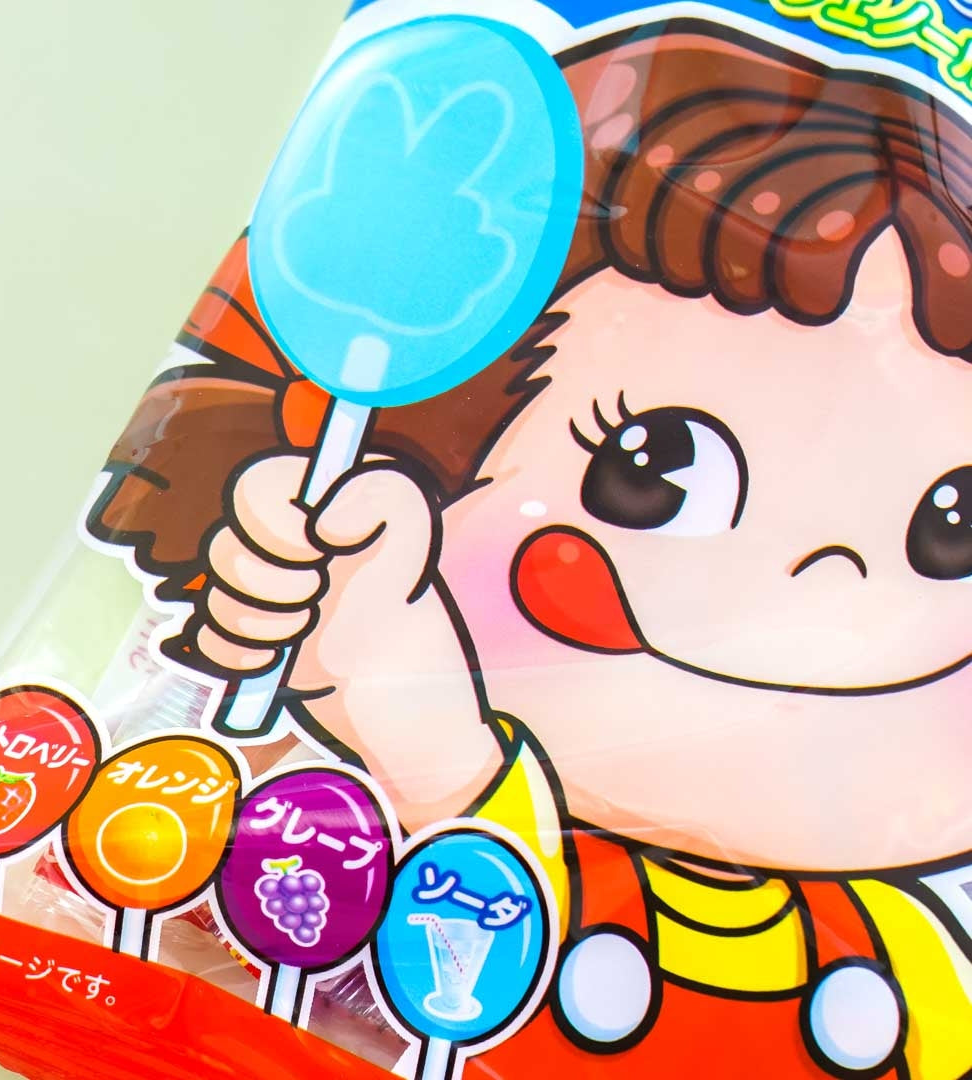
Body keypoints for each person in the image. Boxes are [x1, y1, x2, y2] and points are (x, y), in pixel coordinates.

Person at [88, 21, 972, 1077]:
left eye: (953, 527)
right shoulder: (468, 852)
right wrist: (365, 641)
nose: (828, 584)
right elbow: (463, 827)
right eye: (654, 469)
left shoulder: (910, 959)